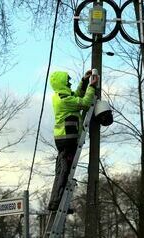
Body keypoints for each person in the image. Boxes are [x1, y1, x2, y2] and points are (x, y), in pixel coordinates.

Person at [48, 69, 98, 212]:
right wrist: (92, 86)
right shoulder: (64, 99)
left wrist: (84, 82)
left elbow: (76, 96)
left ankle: (55, 201)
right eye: (68, 81)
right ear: (62, 83)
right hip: (67, 138)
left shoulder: (61, 95)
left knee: (61, 171)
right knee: (64, 172)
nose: (70, 84)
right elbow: (84, 103)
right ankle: (57, 202)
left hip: (63, 138)